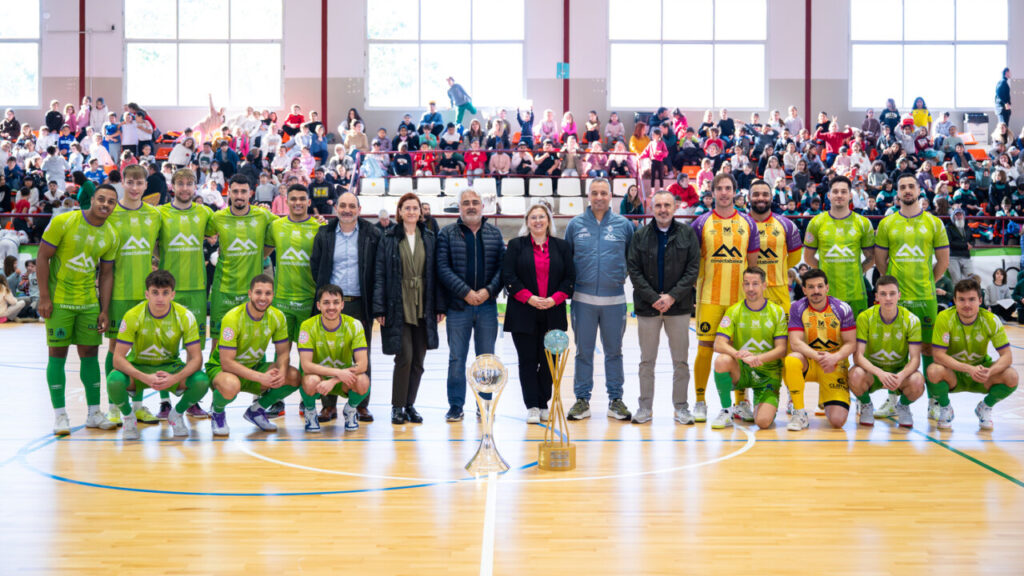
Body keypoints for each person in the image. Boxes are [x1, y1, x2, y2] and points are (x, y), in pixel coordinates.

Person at [37, 184, 120, 435]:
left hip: (88, 303)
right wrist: (44, 297)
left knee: (90, 355)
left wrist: (104, 309)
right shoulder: (64, 221)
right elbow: (42, 257)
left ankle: (94, 413)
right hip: (60, 301)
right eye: (101, 199)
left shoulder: (112, 235)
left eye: (111, 202)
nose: (105, 205)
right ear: (91, 199)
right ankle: (60, 416)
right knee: (57, 354)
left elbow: (106, 275)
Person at [875, 172, 949, 421]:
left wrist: (929, 281)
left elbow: (943, 261)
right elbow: (880, 262)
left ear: (919, 190)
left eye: (911, 186)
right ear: (897, 193)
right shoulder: (887, 224)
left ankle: (934, 401)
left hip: (925, 298)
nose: (907, 190)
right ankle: (893, 399)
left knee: (928, 351)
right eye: (902, 187)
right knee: (896, 351)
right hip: (897, 300)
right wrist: (893, 289)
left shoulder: (934, 223)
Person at [689, 173, 761, 422]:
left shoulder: (748, 223)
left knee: (740, 350)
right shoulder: (700, 223)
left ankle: (742, 402)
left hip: (738, 301)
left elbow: (752, 266)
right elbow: (693, 262)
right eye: (719, 188)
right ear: (712, 192)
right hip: (709, 298)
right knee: (705, 348)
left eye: (728, 188)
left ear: (735, 192)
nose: (723, 192)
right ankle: (699, 400)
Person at [107, 270, 209, 440]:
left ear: (173, 294)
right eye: (155, 292)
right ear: (147, 294)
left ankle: (176, 414)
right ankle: (129, 417)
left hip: (170, 368)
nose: (160, 298)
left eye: (165, 293)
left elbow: (197, 359)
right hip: (140, 368)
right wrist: (145, 377)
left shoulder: (185, 316)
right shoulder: (133, 315)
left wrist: (175, 378)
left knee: (202, 381)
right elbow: (117, 358)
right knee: (114, 380)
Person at [565, 179, 635, 421]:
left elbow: (631, 260)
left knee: (614, 352)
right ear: (588, 196)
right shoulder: (575, 225)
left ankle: (616, 399)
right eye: (594, 193)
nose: (599, 197)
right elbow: (567, 260)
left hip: (614, 301)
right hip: (582, 301)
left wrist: (616, 278)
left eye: (603, 193)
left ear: (610, 196)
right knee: (583, 352)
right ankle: (581, 400)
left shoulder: (624, 226)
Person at [627, 190, 700, 424]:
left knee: (680, 361)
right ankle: (645, 408)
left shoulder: (688, 234)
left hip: (678, 308)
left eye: (667, 205)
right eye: (658, 205)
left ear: (675, 206)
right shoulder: (640, 236)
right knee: (647, 360)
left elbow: (692, 270)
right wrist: (653, 298)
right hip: (648, 308)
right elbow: (634, 271)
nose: (663, 209)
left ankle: (681, 407)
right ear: (651, 206)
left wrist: (671, 297)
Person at [102, 164, 166, 426]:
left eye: (139, 183)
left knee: (139, 351)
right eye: (130, 182)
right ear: (123, 183)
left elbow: (161, 249)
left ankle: (138, 406)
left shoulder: (154, 215)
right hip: (118, 294)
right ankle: (114, 407)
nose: (135, 187)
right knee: (115, 348)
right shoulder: (112, 214)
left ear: (145, 186)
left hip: (144, 296)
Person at [311, 191, 381, 422]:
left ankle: (360, 405)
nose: (347, 210)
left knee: (362, 355)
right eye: (343, 205)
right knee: (327, 354)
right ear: (336, 208)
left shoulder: (372, 234)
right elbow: (316, 267)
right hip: (332, 306)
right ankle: (328, 406)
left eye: (352, 205)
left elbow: (378, 272)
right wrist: (326, 300)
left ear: (359, 209)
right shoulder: (324, 233)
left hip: (361, 304)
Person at [373, 193, 442, 425]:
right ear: (400, 212)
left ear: (420, 212)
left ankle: (410, 404)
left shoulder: (430, 237)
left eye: (415, 208)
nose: (412, 212)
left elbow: (437, 274)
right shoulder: (389, 237)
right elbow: (380, 274)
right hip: (398, 302)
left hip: (424, 303)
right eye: (407, 208)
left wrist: (440, 305)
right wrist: (379, 307)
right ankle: (397, 406)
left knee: (419, 360)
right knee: (405, 355)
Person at [437, 188, 505, 421]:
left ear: (482, 206)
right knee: (457, 358)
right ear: (460, 208)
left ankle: (484, 404)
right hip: (458, 307)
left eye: (475, 202)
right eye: (466, 203)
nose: (471, 206)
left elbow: (502, 269)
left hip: (487, 306)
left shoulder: (494, 234)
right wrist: (465, 292)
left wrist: (487, 291)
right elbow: (442, 269)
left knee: (486, 358)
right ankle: (456, 406)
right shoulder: (447, 233)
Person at [503, 203, 574, 423]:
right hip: (523, 312)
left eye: (541, 217)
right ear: (527, 222)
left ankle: (544, 402)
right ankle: (532, 405)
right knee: (527, 360)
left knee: (549, 361)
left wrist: (554, 299)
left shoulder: (562, 247)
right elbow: (509, 277)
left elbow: (569, 279)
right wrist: (530, 298)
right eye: (533, 217)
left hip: (553, 312)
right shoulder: (516, 245)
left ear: (548, 221)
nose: (537, 221)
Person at [928, 278, 1018, 430]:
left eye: (972, 299)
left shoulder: (991, 319)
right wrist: (969, 369)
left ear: (980, 300)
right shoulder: (944, 318)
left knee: (1011, 376)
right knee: (933, 370)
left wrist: (990, 371)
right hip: (954, 374)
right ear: (954, 300)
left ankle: (985, 407)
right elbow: (938, 355)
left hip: (981, 375)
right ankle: (945, 408)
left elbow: (1007, 356)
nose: (967, 305)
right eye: (961, 300)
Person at [710, 266, 789, 429]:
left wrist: (757, 358)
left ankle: (755, 405)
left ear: (764, 285)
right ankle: (726, 410)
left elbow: (781, 349)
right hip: (743, 370)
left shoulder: (777, 311)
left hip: (768, 374)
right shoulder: (734, 311)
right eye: (746, 284)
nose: (750, 288)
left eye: (755, 283)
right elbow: (718, 343)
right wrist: (739, 355)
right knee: (722, 360)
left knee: (763, 422)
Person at [207, 175, 276, 346]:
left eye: (243, 191)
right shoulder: (217, 218)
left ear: (250, 193)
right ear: (228, 193)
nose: (239, 195)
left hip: (251, 292)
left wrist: (262, 256)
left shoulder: (263, 215)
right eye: (235, 191)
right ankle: (217, 372)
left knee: (250, 341)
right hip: (224, 290)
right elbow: (198, 233)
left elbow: (287, 227)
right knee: (218, 340)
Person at [784, 268, 857, 431]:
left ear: (827, 288)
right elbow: (795, 342)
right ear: (804, 290)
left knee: (838, 421)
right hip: (811, 362)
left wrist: (835, 357)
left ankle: (827, 397)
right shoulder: (797, 307)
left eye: (819, 286)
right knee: (792, 359)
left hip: (834, 364)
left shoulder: (843, 308)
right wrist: (820, 357)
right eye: (810, 287)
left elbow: (851, 343)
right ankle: (799, 412)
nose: (815, 291)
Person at [849, 275, 925, 428]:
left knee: (917, 381)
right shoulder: (865, 317)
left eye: (892, 293)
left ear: (899, 295)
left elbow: (915, 359)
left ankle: (902, 406)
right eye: (883, 294)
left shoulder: (912, 320)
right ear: (876, 296)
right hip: (873, 373)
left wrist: (901, 375)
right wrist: (880, 373)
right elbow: (858, 356)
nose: (888, 298)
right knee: (855, 374)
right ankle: (866, 405)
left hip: (898, 373)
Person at [297, 284, 371, 433]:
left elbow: (362, 365)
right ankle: (310, 412)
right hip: (320, 380)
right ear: (318, 305)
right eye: (326, 303)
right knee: (309, 379)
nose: (331, 307)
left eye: (336, 302)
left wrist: (335, 379)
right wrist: (338, 373)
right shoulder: (307, 326)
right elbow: (306, 365)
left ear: (342, 305)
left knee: (363, 381)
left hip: (343, 380)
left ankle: (350, 410)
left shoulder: (354, 325)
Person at [803, 176, 875, 320]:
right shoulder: (816, 222)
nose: (839, 195)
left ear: (850, 195)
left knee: (856, 340)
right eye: (835, 191)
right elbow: (808, 257)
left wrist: (858, 269)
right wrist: (825, 268)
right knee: (826, 340)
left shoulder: (863, 223)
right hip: (825, 295)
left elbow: (871, 257)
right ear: (829, 195)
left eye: (843, 192)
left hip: (855, 293)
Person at [945, 208, 974, 283]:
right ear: (953, 217)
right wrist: (965, 245)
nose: (958, 217)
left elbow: (972, 239)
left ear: (963, 216)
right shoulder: (948, 227)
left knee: (972, 279)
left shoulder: (967, 228)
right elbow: (949, 243)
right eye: (956, 215)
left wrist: (971, 244)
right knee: (956, 281)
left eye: (960, 215)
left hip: (965, 256)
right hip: (953, 257)